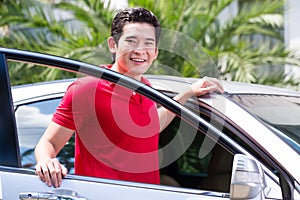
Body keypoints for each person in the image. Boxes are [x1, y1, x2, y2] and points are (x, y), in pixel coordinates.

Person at [34, 7, 224, 188]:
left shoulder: (147, 89)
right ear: (113, 45)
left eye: (148, 43)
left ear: (156, 52)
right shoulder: (86, 89)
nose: (140, 50)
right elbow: (48, 142)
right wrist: (46, 161)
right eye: (131, 41)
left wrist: (188, 93)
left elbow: (151, 126)